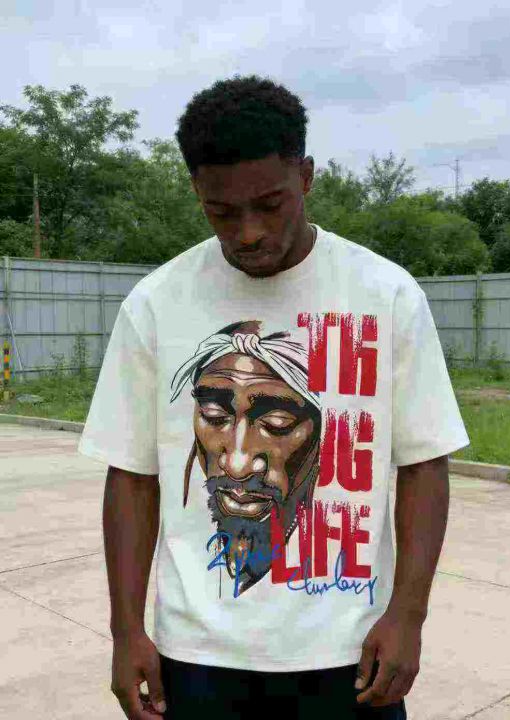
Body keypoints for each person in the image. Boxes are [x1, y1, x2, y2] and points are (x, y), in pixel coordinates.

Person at [78, 74, 469, 719]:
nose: (248, 232)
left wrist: (408, 614)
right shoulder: (156, 303)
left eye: (269, 204)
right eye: (222, 212)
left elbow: (425, 463)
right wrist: (126, 631)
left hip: (350, 651)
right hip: (197, 654)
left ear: (306, 177)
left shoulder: (386, 294)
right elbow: (132, 476)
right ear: (198, 193)